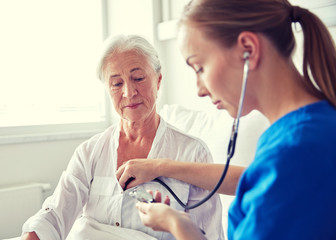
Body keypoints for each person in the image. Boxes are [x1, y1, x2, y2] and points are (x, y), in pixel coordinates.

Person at [117, 0, 336, 239]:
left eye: (199, 67)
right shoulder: (313, 128)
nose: (199, 89)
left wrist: (176, 225)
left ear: (248, 50)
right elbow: (252, 177)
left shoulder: (294, 153)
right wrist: (162, 169)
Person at [20, 34, 240, 240]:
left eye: (138, 78)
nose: (128, 92)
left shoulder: (192, 152)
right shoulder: (90, 152)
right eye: (117, 83)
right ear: (107, 89)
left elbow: (209, 235)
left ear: (158, 80)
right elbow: (55, 214)